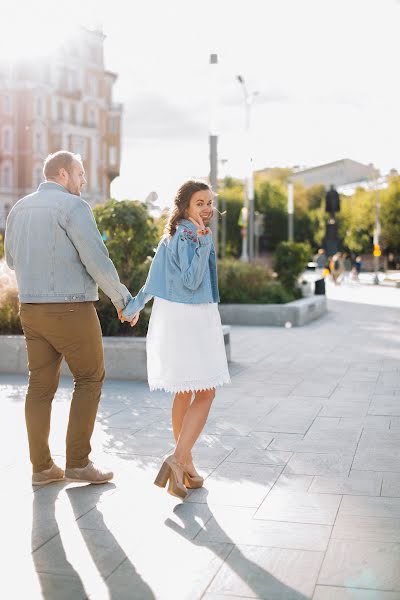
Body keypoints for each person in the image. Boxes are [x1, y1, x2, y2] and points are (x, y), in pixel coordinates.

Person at [4, 151, 138, 486]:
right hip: (71, 308)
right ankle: (78, 462)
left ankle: (42, 468)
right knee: (90, 378)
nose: (83, 181)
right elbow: (96, 258)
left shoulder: (18, 208)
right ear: (62, 174)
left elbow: (10, 260)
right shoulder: (74, 207)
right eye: (79, 173)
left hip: (31, 309)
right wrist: (123, 299)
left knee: (39, 387)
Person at [121, 180, 230, 500]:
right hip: (192, 317)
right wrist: (205, 242)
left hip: (177, 315)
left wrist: (135, 306)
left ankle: (187, 464)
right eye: (200, 203)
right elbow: (192, 279)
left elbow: (154, 277)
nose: (207, 208)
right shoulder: (189, 234)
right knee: (206, 392)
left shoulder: (173, 234)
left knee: (185, 392)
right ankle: (178, 458)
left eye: (209, 202)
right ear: (184, 207)